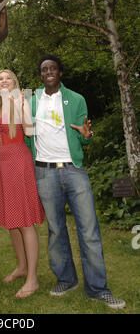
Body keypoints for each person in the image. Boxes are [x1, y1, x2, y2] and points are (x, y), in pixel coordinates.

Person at [26, 54, 126, 309]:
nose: (48, 71)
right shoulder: (30, 100)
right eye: (44, 68)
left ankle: (98, 288)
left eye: (53, 68)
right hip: (45, 172)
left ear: (60, 73)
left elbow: (84, 137)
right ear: (40, 75)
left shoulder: (77, 99)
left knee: (89, 230)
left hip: (74, 171)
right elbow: (28, 138)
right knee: (56, 230)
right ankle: (66, 279)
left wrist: (87, 135)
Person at [0, 69, 45, 298]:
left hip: (18, 162)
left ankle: (33, 279)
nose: (4, 81)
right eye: (0, 78)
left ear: (15, 82)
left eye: (8, 78)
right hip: (3, 162)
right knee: (12, 222)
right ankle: (22, 267)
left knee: (24, 222)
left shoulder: (19, 101)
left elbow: (30, 132)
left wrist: (22, 106)